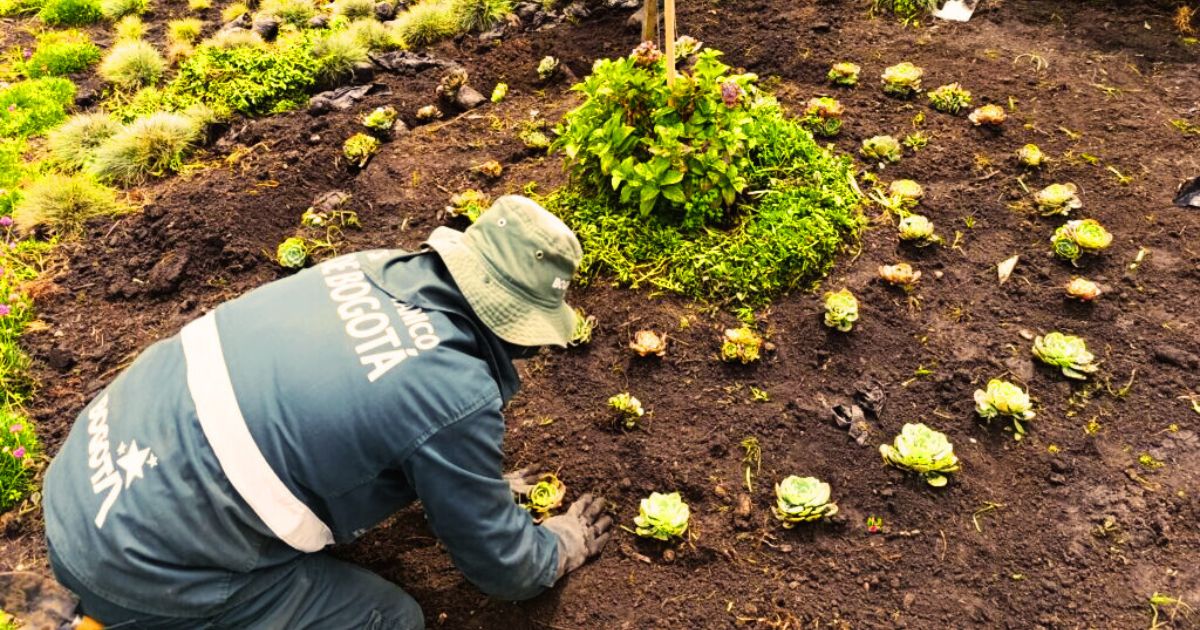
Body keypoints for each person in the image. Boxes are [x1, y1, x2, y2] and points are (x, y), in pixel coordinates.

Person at [41, 195, 613, 629]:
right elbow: (505, 569)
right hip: (136, 572)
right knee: (390, 619)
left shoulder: (372, 268)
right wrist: (560, 544)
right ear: (516, 323)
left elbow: (360, 407)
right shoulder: (451, 393)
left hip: (83, 479)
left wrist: (475, 488)